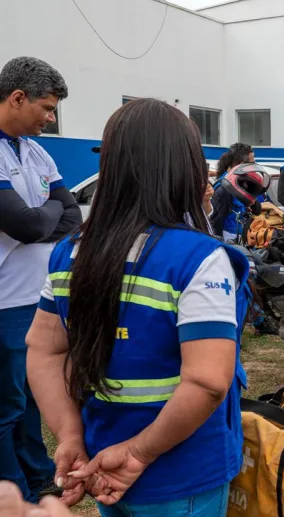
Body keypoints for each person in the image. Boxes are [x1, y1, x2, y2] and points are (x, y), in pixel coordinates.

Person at [26, 98, 251, 516]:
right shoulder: (197, 258)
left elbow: (43, 349)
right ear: (185, 168)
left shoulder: (68, 254)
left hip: (101, 460)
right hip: (179, 472)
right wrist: (138, 454)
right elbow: (207, 382)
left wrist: (70, 435)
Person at [0, 57, 81, 503]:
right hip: (4, 298)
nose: (50, 120)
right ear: (17, 98)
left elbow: (69, 215)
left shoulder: (34, 150)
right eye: (46, 109)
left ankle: (36, 476)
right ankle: (12, 492)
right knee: (5, 403)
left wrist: (36, 220)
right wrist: (36, 222)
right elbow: (26, 225)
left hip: (37, 294)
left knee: (32, 395)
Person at [210, 143, 264, 241]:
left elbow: (257, 210)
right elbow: (215, 222)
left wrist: (253, 202)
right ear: (240, 164)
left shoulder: (244, 182)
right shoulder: (224, 187)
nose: (254, 165)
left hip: (245, 237)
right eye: (252, 163)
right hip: (229, 240)